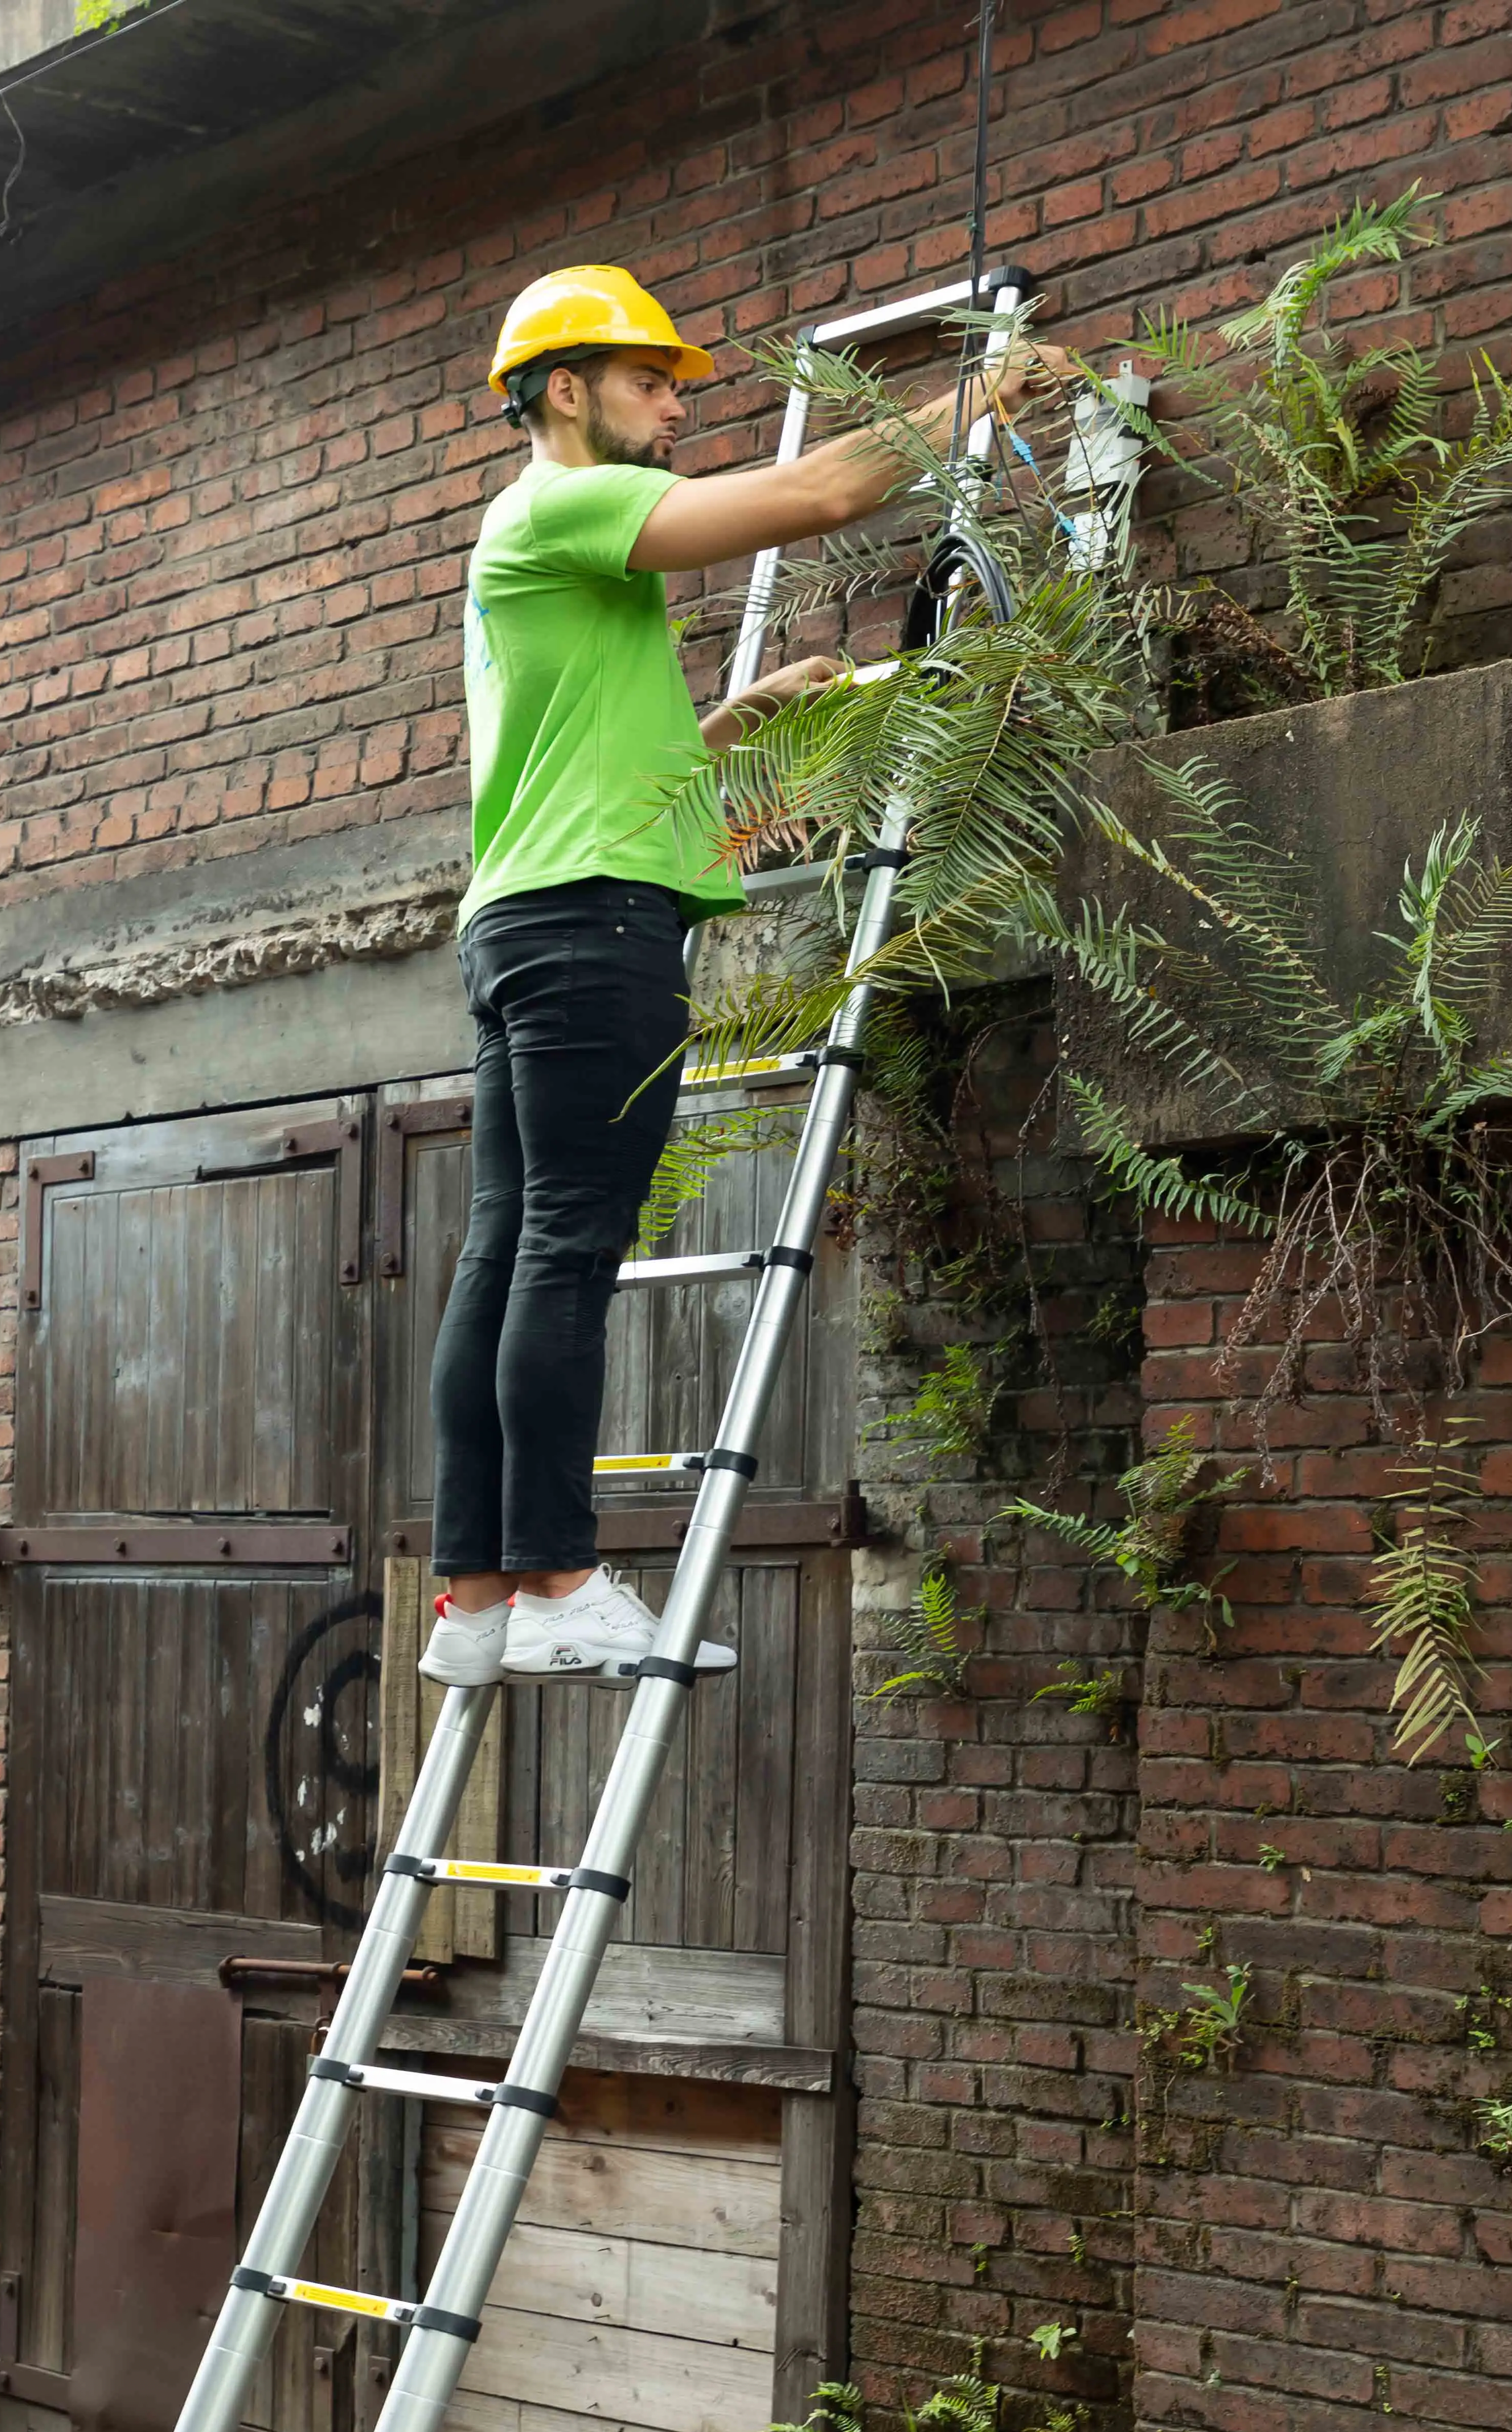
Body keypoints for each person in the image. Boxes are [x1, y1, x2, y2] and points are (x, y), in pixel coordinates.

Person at [421, 264, 1060, 1686]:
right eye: (650, 378)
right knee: (565, 1250)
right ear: (563, 388)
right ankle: (562, 1578)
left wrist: (729, 724)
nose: (672, 402)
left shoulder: (521, 547)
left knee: (506, 1249)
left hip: (524, 916)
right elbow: (825, 496)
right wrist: (978, 396)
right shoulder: (569, 500)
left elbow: (576, 766)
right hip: (595, 930)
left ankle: (475, 1596)